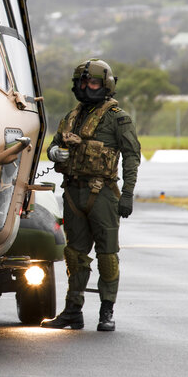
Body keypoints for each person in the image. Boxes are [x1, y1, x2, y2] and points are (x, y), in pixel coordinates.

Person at [40, 58, 140, 332]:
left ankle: (106, 311)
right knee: (74, 254)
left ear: (105, 85)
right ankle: (73, 311)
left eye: (92, 82)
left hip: (103, 194)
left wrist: (128, 194)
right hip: (73, 192)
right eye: (83, 82)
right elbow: (54, 144)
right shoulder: (71, 117)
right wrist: (53, 153)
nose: (87, 87)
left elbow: (132, 157)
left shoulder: (118, 119)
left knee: (107, 255)